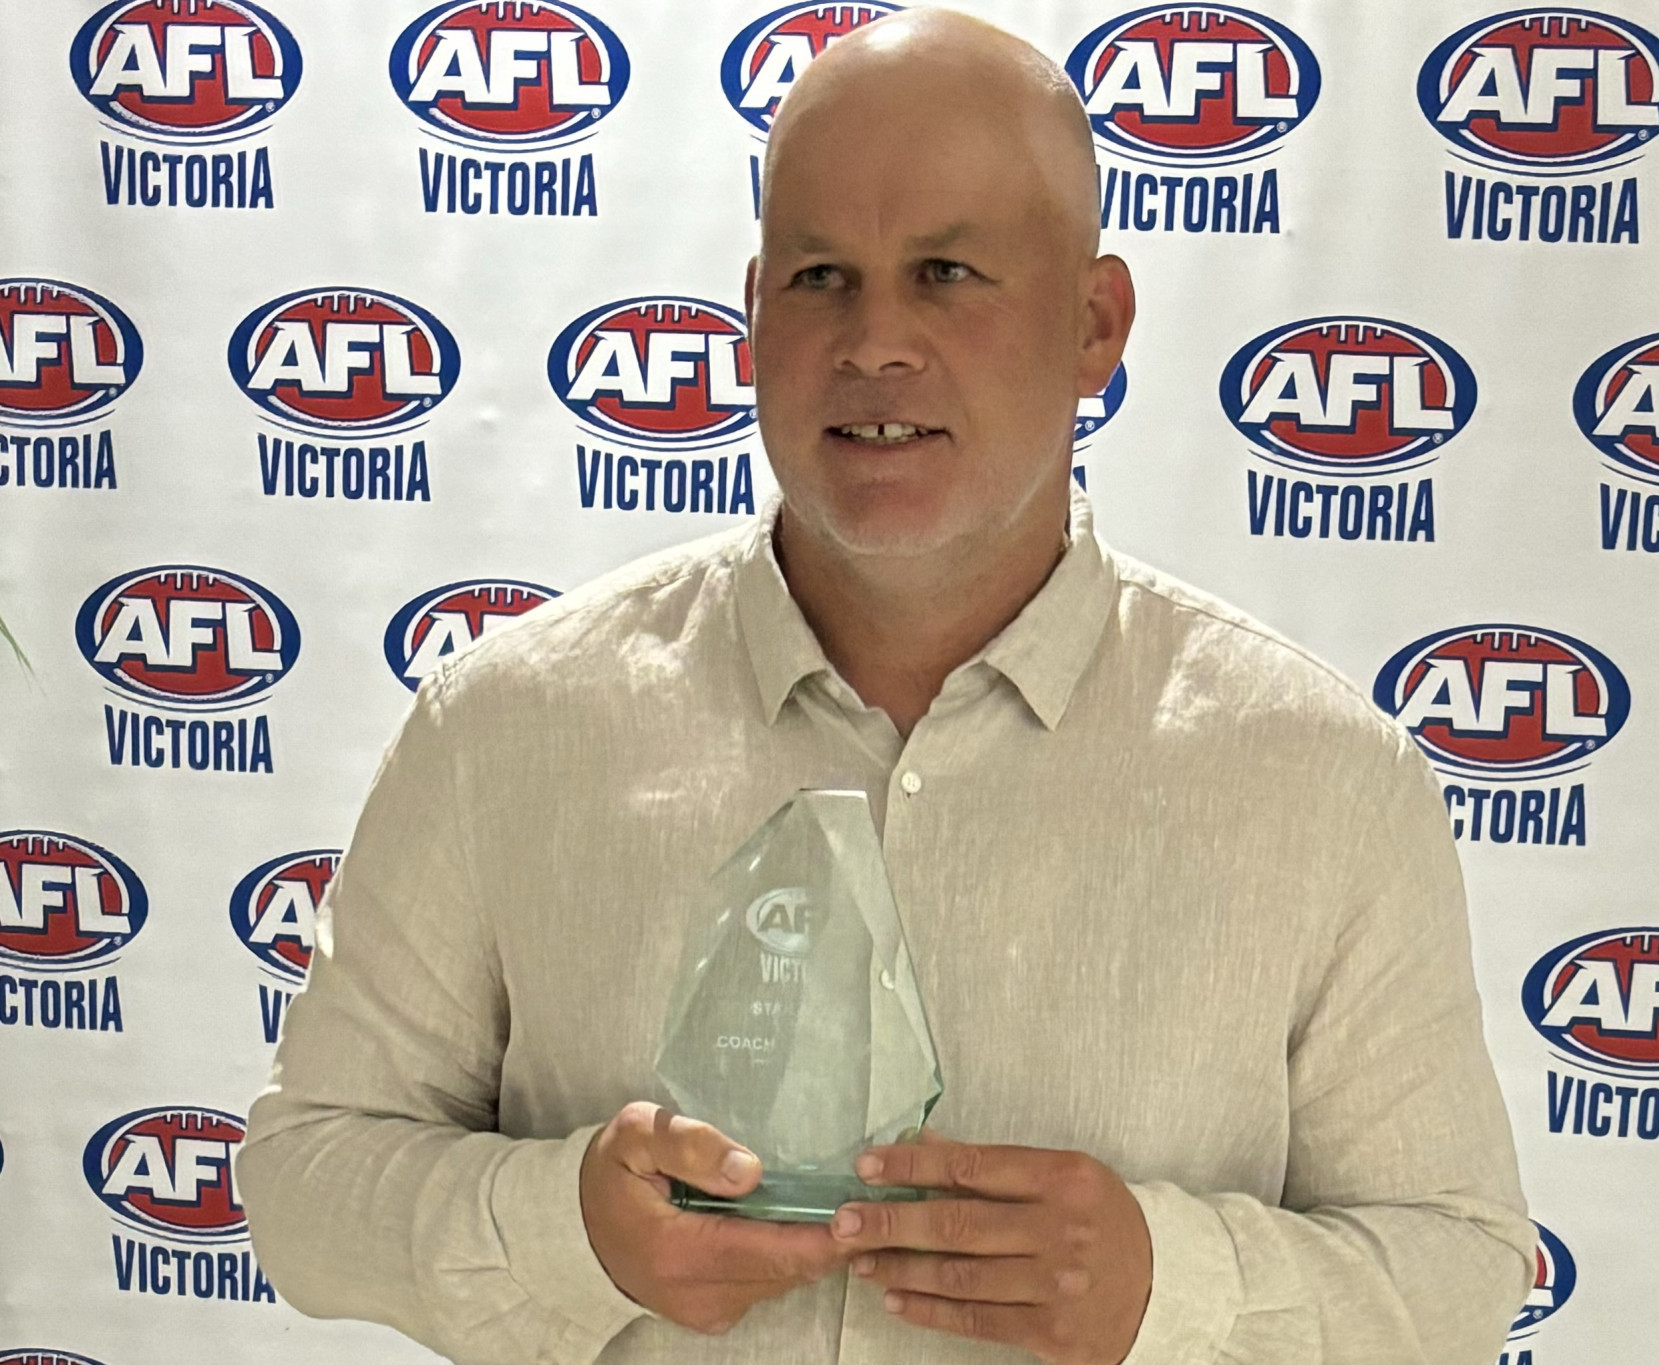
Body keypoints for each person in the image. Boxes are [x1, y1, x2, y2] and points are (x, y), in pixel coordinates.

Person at [239, 10, 1534, 1364]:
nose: (873, 341)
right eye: (818, 279)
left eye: (947, 272)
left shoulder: (1322, 780)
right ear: (750, 314)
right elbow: (304, 1184)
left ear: (1096, 325)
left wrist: (1169, 1283)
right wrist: (567, 1228)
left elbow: (1457, 1268)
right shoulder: (504, 727)